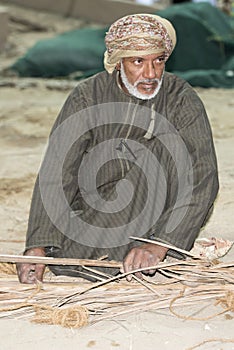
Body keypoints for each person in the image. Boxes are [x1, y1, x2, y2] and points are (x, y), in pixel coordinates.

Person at [17, 14, 219, 284]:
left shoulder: (181, 98)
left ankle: (153, 248)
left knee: (165, 150)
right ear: (118, 62)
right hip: (94, 220)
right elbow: (57, 172)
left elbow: (203, 175)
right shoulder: (88, 96)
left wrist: (160, 244)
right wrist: (38, 245)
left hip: (159, 219)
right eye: (138, 61)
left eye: (158, 60)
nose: (151, 74)